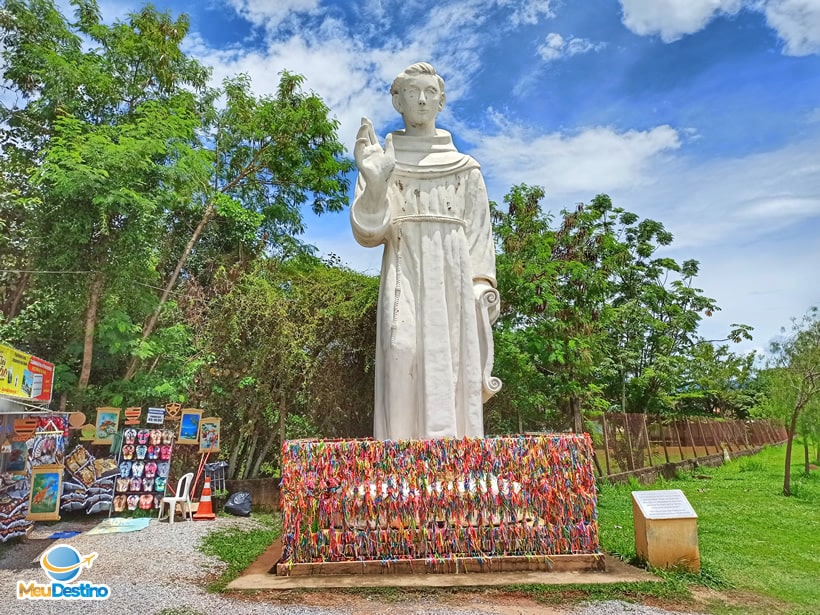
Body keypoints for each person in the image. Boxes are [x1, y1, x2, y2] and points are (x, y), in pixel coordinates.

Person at [351, 62, 500, 441]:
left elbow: (481, 238)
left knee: (451, 363)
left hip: (453, 280)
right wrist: (374, 185)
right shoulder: (381, 160)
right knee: (400, 351)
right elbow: (368, 233)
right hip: (404, 271)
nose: (421, 100)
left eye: (429, 92)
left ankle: (454, 456)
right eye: (412, 92)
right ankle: (399, 461)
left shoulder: (466, 169)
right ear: (396, 99)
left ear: (442, 100)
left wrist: (482, 286)